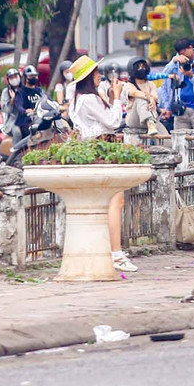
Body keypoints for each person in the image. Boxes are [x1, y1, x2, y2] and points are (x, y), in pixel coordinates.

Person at [66, 55, 138, 273]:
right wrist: (116, 97)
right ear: (88, 77)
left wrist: (112, 98)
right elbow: (113, 122)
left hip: (90, 150)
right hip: (101, 149)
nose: (99, 76)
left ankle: (108, 250)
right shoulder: (89, 99)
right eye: (96, 73)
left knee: (104, 204)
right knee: (116, 202)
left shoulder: (79, 99)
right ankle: (116, 253)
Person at [158, 38, 194, 136]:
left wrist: (191, 76)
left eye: (184, 53)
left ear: (190, 48)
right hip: (181, 109)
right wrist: (174, 61)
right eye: (180, 54)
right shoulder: (178, 60)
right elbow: (165, 74)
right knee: (179, 141)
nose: (184, 56)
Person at [121, 58, 162, 137]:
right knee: (140, 99)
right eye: (139, 67)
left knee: (167, 141)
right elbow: (134, 93)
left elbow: (155, 96)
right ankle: (149, 122)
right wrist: (149, 98)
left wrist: (152, 99)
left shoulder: (151, 84)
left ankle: (151, 122)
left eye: (143, 66)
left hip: (153, 116)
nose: (142, 69)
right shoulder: (129, 85)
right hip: (134, 120)